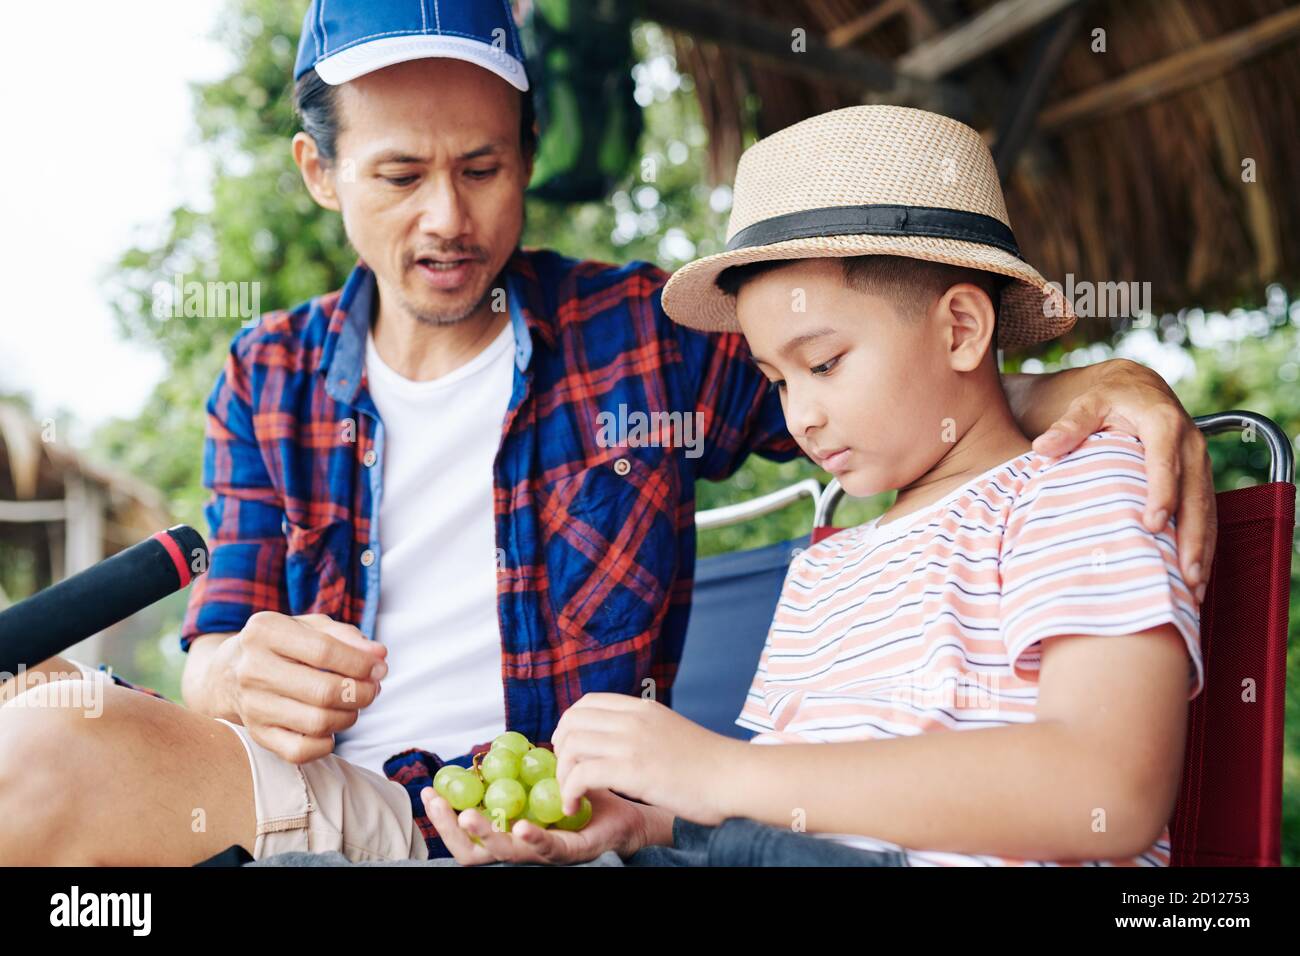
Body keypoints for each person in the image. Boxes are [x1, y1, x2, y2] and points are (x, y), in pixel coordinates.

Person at [0, 4, 1213, 867]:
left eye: (483, 166)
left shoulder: (648, 336)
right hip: (337, 802)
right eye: (398, 174)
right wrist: (232, 670)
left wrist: (1089, 386)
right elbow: (213, 647)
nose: (447, 217)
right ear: (321, 172)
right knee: (35, 737)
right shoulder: (265, 376)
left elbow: (900, 388)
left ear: (532, 152)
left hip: (567, 824)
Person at [419, 105, 1202, 867]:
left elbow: (1108, 790)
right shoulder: (828, 566)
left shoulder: (1074, 485)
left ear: (961, 329)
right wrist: (645, 826)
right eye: (777, 381)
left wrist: (719, 772)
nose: (801, 418)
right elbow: (783, 812)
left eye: (823, 364)